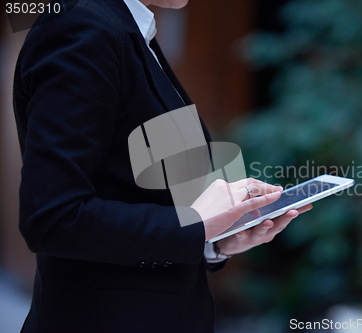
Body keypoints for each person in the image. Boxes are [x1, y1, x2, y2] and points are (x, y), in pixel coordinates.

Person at [12, 0, 312, 332]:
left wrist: (215, 236)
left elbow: (130, 188)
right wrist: (194, 224)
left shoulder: (128, 28)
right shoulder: (82, 28)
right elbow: (53, 218)